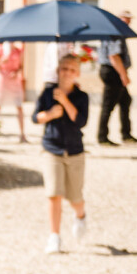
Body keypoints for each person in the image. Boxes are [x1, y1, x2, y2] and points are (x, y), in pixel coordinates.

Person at [33, 54, 90, 254]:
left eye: (72, 70)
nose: (67, 73)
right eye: (64, 68)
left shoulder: (81, 97)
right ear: (58, 71)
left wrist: (65, 101)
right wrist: (49, 114)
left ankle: (81, 215)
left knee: (75, 198)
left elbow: (80, 121)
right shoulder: (48, 93)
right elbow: (36, 117)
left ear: (77, 74)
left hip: (74, 151)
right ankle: (54, 236)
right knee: (54, 194)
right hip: (52, 148)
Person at [97, 10, 137, 145]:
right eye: (125, 19)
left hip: (115, 72)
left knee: (125, 102)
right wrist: (123, 75)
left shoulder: (117, 32)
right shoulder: (116, 33)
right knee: (108, 105)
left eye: (129, 19)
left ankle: (126, 134)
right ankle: (102, 137)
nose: (128, 22)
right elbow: (113, 56)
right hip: (113, 72)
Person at [0, 41, 27, 142]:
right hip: (2, 79)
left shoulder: (18, 50)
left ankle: (22, 135)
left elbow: (21, 66)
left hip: (14, 80)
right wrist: (2, 61)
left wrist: (16, 73)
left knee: (19, 106)